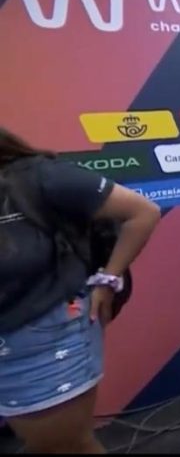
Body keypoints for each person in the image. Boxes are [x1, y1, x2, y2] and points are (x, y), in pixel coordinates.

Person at [0, 127, 161, 453]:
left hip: (45, 340)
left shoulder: (36, 177)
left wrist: (109, 280)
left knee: (62, 446)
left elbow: (142, 212)